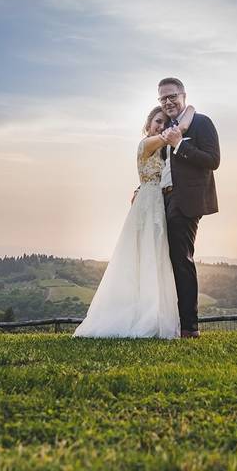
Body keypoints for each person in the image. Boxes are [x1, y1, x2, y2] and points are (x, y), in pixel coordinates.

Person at [72, 103, 196, 339]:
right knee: (143, 255)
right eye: (157, 121)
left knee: (157, 257)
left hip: (159, 203)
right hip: (147, 206)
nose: (161, 126)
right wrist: (189, 108)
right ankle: (136, 316)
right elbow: (181, 126)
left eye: (163, 122)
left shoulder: (162, 151)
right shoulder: (147, 144)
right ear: (148, 125)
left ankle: (154, 314)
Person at [156, 77, 220, 339]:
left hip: (187, 201)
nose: (168, 102)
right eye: (163, 98)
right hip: (164, 200)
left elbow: (213, 160)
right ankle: (169, 321)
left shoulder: (201, 122)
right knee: (168, 261)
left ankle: (189, 327)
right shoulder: (166, 127)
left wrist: (180, 145)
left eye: (172, 96)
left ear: (183, 95)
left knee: (182, 260)